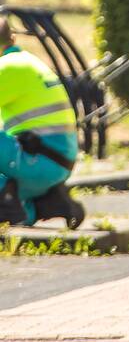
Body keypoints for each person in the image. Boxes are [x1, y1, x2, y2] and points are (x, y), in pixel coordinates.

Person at [0, 18, 84, 227]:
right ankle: (43, 205)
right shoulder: (26, 61)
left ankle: (7, 204)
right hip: (53, 161)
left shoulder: (7, 68)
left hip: (37, 159)